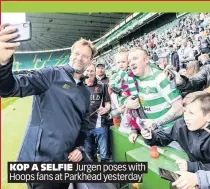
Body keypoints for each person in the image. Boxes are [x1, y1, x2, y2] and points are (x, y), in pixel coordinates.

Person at [0, 24, 97, 189]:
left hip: (65, 164)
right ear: (71, 55)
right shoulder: (50, 74)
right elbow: (9, 88)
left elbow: (84, 125)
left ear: (90, 62)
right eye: (77, 53)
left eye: (85, 56)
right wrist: (3, 63)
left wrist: (79, 148)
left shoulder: (85, 93)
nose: (80, 58)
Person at [120, 48, 183, 144]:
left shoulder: (160, 78)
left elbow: (179, 107)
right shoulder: (133, 81)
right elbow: (134, 108)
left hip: (171, 134)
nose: (131, 63)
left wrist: (155, 122)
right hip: (153, 133)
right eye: (129, 61)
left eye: (135, 59)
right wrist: (134, 130)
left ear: (146, 60)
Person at [142, 91, 210, 172]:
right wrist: (151, 136)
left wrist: (192, 166)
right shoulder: (181, 126)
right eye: (185, 111)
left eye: (191, 113)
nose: (186, 117)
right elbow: (163, 138)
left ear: (208, 116)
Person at [83, 64, 111, 162]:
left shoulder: (102, 86)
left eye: (92, 71)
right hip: (85, 127)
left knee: (104, 156)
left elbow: (108, 104)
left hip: (100, 125)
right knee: (89, 156)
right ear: (84, 72)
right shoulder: (79, 87)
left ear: (95, 72)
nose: (89, 73)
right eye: (87, 71)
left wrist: (106, 109)